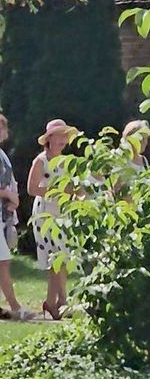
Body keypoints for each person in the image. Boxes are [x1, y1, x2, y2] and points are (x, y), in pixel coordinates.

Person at [28, 118, 78, 320]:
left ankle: (59, 302)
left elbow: (73, 187)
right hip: (45, 214)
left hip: (63, 213)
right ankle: (53, 302)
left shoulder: (66, 161)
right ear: (49, 138)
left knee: (62, 258)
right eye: (59, 136)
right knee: (55, 259)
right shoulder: (41, 160)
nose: (63, 140)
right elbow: (32, 188)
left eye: (65, 136)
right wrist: (55, 192)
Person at [0, 114, 33, 321]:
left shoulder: (2, 154)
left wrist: (13, 199)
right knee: (3, 262)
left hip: (3, 216)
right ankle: (15, 306)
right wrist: (8, 195)